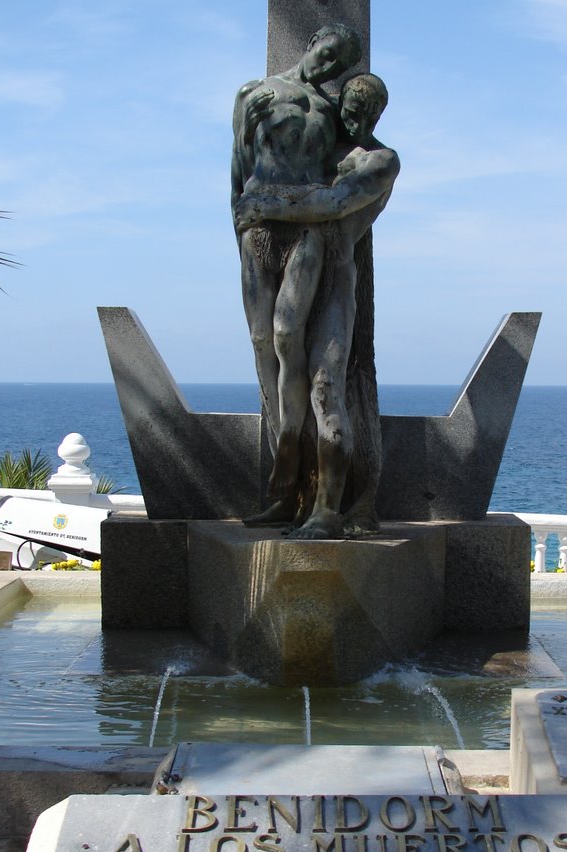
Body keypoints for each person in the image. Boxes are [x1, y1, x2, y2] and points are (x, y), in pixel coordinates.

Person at [234, 73, 399, 538]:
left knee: (327, 388)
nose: (355, 115)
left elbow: (332, 203)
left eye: (366, 108)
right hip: (290, 265)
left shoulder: (380, 161)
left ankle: (327, 509)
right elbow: (252, 160)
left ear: (378, 114)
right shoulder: (318, 148)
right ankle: (289, 496)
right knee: (280, 370)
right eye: (350, 103)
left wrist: (262, 206)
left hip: (332, 284)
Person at [232, 23, 362, 527]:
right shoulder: (254, 92)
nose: (329, 67)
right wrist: (240, 221)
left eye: (340, 64)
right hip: (258, 231)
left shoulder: (332, 114)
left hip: (307, 233)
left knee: (288, 334)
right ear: (312, 44)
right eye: (328, 54)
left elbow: (338, 181)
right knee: (263, 341)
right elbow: (238, 170)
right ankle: (282, 464)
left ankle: (292, 455)